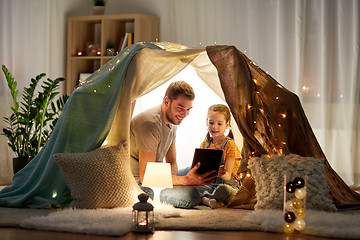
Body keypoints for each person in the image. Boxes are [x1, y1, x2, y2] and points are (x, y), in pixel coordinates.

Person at [130, 81, 216, 208]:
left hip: (159, 175)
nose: (185, 114)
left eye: (188, 109)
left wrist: (184, 180)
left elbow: (172, 162)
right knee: (190, 196)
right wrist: (186, 181)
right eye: (180, 108)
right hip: (142, 183)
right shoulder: (150, 124)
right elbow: (146, 176)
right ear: (166, 101)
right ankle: (205, 195)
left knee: (197, 170)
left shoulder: (173, 121)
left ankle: (208, 192)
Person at [196, 104, 242, 209]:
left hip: (228, 184)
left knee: (224, 189)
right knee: (191, 189)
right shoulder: (204, 144)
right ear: (207, 122)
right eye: (211, 123)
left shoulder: (230, 145)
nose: (214, 127)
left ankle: (206, 199)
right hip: (209, 184)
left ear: (226, 125)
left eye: (219, 124)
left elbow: (228, 176)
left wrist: (222, 174)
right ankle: (210, 201)